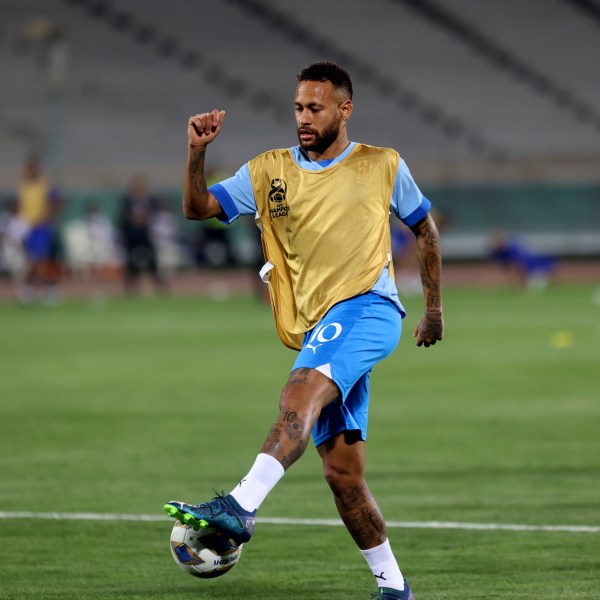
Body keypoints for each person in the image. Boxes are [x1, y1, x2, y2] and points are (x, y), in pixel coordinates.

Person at [164, 62, 444, 600]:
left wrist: (433, 309)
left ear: (344, 109)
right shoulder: (268, 170)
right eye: (298, 107)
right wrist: (196, 152)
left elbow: (424, 227)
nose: (304, 118)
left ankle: (240, 506)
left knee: (298, 391)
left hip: (369, 307)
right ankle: (394, 589)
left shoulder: (381, 164)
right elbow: (198, 207)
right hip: (320, 323)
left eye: (315, 107)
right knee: (342, 474)